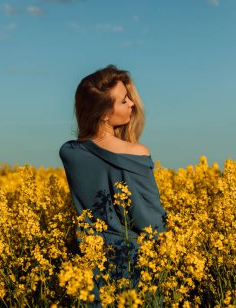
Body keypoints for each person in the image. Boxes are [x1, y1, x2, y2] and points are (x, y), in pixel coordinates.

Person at [59, 64, 168, 307]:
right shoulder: (136, 154)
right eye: (124, 101)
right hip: (133, 268)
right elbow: (150, 222)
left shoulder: (69, 152)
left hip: (89, 268)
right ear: (105, 114)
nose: (132, 104)